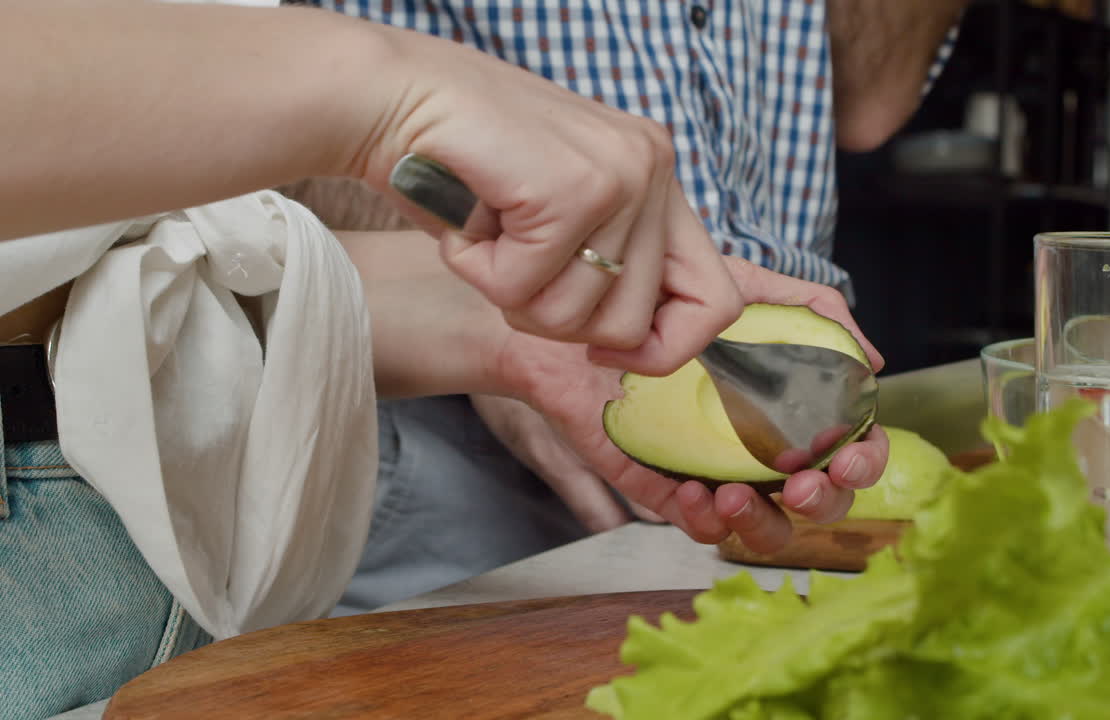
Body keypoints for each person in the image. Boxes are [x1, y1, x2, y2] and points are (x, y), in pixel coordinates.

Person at [0, 1, 887, 716]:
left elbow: (112, 252)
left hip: (123, 525)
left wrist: (514, 334)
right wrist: (384, 90)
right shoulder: (375, 82)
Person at [288, 0, 967, 614]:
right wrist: (493, 304)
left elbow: (869, 99)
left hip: (751, 452)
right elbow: (262, 94)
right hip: (439, 427)